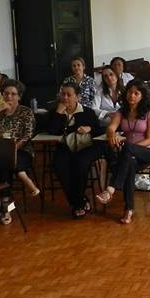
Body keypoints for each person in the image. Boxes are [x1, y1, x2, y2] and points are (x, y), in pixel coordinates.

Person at [96, 80, 150, 224]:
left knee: (128, 149)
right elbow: (111, 127)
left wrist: (130, 148)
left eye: (136, 93)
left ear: (142, 96)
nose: (132, 96)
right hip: (129, 155)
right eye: (130, 92)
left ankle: (111, 188)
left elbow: (149, 139)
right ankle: (129, 210)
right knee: (129, 162)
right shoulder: (122, 112)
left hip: (149, 151)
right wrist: (112, 133)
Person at [48, 84, 105, 219]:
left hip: (86, 147)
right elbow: (51, 130)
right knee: (58, 165)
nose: (65, 97)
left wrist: (89, 129)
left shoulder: (87, 112)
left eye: (69, 95)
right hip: (65, 147)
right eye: (63, 94)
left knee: (80, 164)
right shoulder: (55, 111)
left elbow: (99, 130)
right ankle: (79, 201)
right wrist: (58, 113)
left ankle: (78, 204)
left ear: (77, 97)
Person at [0, 79, 41, 210]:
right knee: (4, 161)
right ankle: (22, 176)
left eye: (13, 94)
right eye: (6, 93)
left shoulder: (26, 111)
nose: (9, 97)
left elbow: (28, 135)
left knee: (7, 163)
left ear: (19, 96)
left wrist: (13, 149)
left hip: (21, 149)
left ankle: (5, 203)